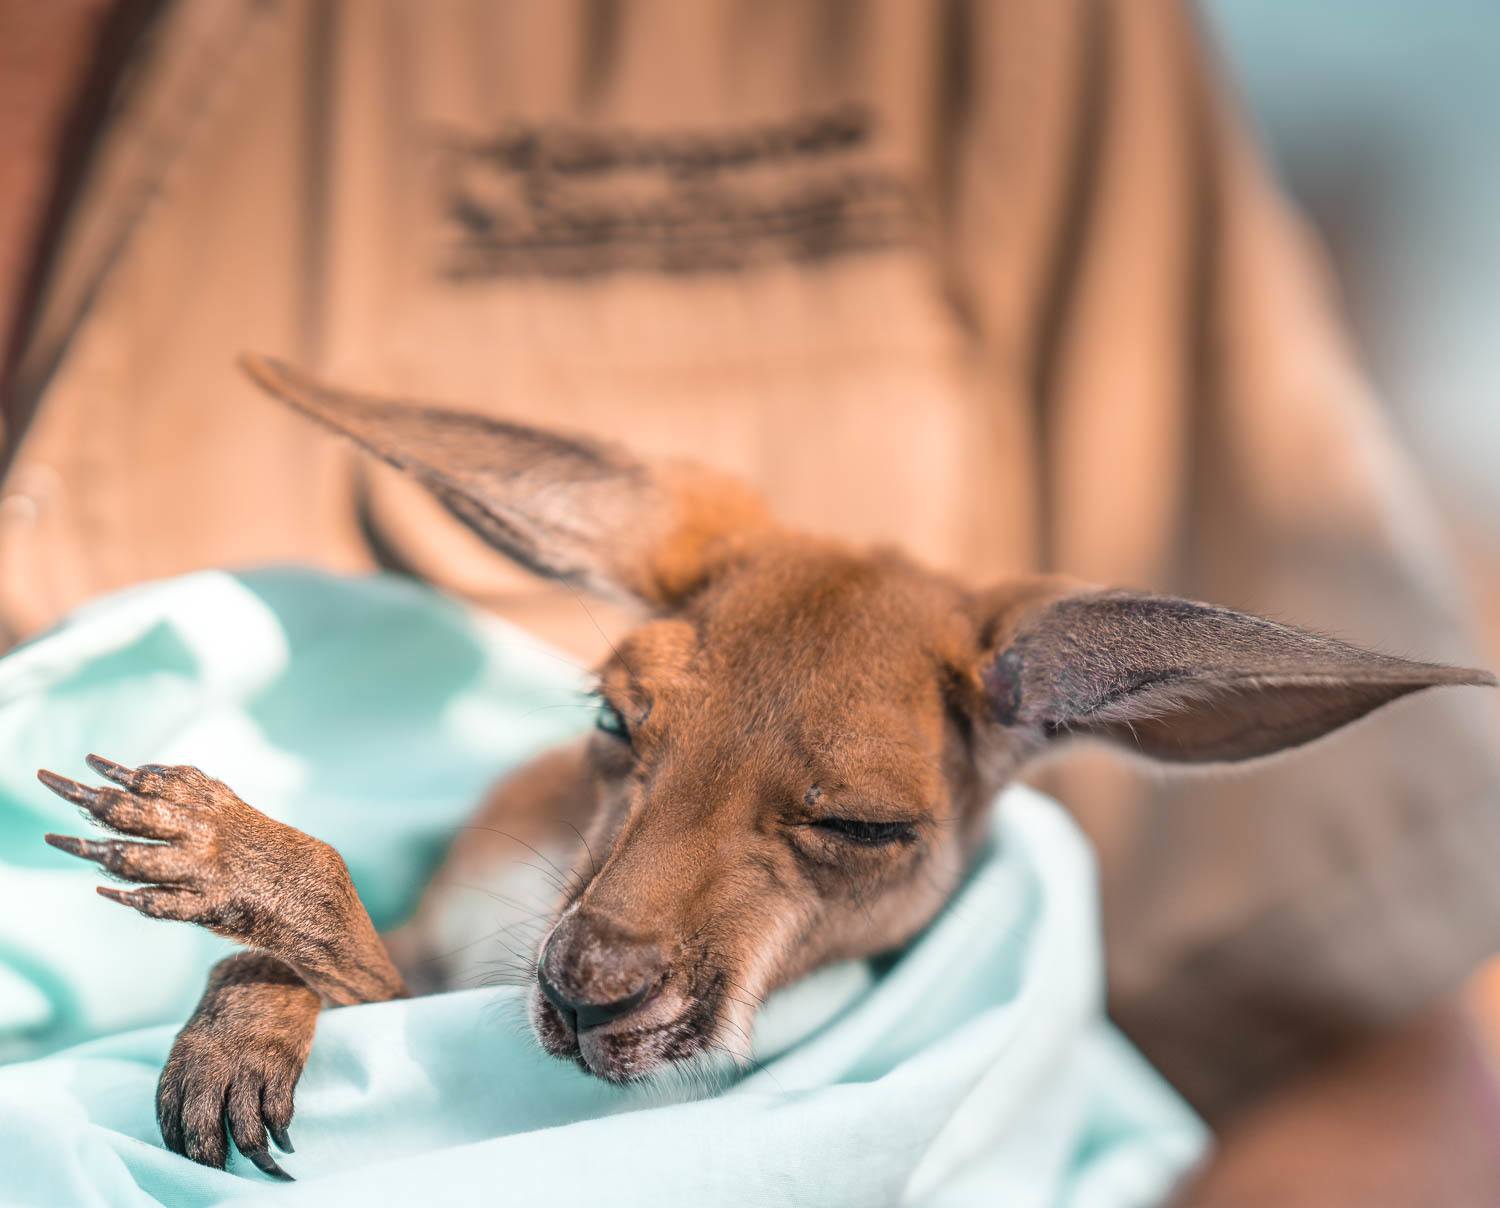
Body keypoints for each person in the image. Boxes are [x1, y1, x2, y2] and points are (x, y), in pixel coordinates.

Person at [4, 2, 1499, 1200]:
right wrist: (283, 983)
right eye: (627, 729)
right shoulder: (530, 825)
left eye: (850, 827)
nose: (603, 955)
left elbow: (1350, 1046)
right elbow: (409, 1011)